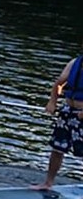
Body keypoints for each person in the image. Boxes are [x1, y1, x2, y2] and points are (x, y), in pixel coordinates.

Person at [34, 53, 83, 190]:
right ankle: (48, 183)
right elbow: (59, 83)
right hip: (68, 111)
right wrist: (52, 102)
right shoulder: (75, 63)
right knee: (57, 148)